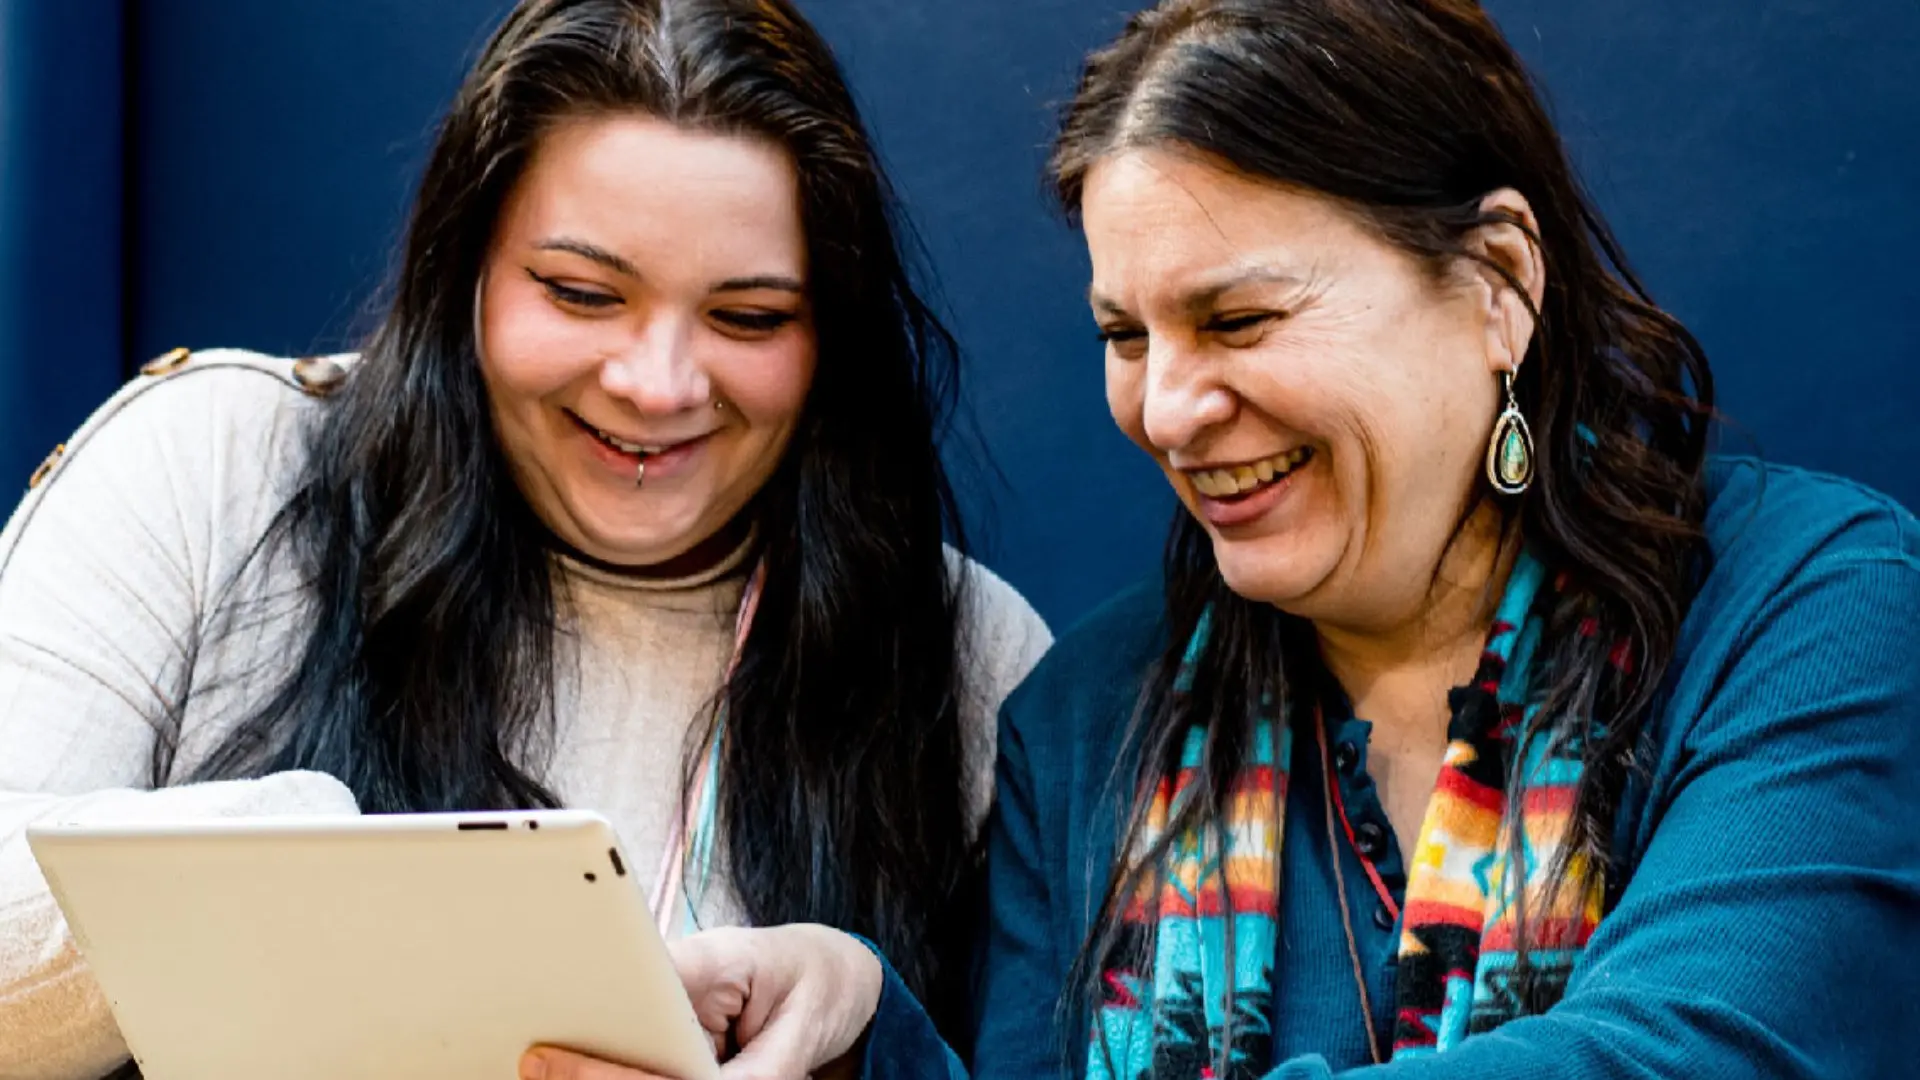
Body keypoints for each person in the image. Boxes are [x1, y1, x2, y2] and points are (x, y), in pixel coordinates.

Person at [597, 2, 1920, 1079]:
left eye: (1238, 322)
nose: (1167, 409)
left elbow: (1688, 1055)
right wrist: (860, 1028)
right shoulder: (1081, 724)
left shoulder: (1811, 609)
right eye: (1128, 336)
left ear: (1501, 281)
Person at [0, 1, 1053, 1077]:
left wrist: (863, 1024)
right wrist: (305, 873)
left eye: (749, 319)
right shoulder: (212, 468)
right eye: (582, 293)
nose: (657, 385)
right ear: (465, 273)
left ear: (833, 335)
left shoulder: (968, 656)